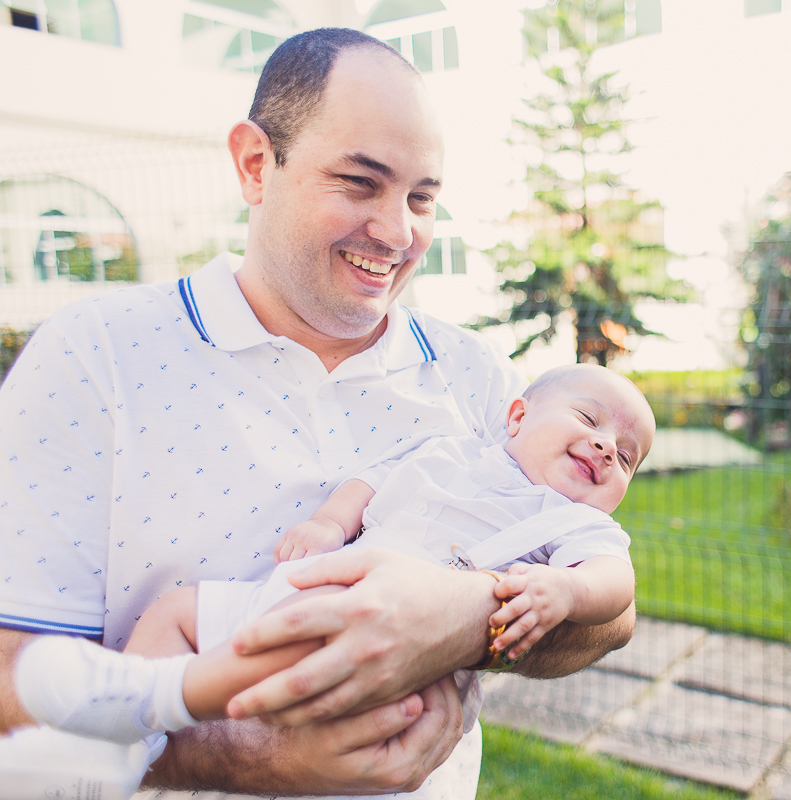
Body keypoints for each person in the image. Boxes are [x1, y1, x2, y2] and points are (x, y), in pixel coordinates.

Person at [0, 28, 633, 800]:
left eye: (422, 197)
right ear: (255, 164)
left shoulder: (479, 377)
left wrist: (469, 616)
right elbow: (12, 681)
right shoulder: (92, 357)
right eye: (360, 182)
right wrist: (254, 759)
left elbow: (608, 620)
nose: (399, 234)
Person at [12, 364, 653, 794]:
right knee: (177, 612)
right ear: (516, 417)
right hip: (309, 589)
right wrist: (326, 524)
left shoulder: (566, 522)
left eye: (626, 457)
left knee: (328, 701)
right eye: (588, 420)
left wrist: (565, 590)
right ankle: (123, 731)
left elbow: (615, 585)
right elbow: (369, 485)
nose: (604, 448)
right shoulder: (451, 451)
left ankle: (141, 720)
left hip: (399, 659)